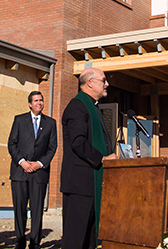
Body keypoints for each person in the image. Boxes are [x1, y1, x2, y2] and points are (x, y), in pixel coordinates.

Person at [60, 68, 118, 249]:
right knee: (76, 241)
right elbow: (78, 142)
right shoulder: (77, 106)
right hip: (80, 186)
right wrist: (102, 159)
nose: (107, 84)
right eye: (103, 80)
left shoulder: (93, 107)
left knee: (90, 241)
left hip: (92, 186)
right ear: (90, 83)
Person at [8, 91, 57, 249]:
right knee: (20, 209)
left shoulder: (50, 123)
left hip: (39, 174)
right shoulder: (20, 120)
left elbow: (52, 147)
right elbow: (12, 143)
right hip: (20, 172)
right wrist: (22, 162)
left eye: (41, 100)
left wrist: (40, 164)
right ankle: (20, 241)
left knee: (37, 210)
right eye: (36, 100)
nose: (39, 103)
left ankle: (35, 242)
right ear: (30, 104)